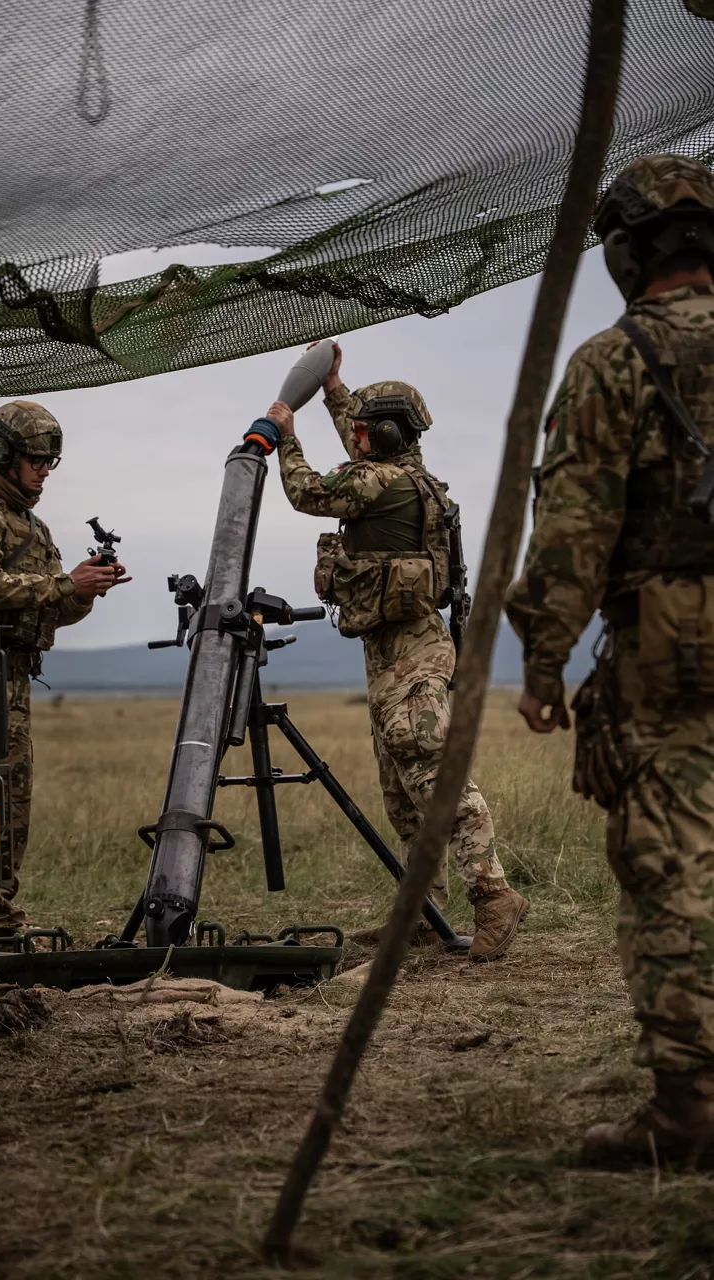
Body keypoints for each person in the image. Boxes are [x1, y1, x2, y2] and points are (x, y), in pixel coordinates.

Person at [505, 154, 714, 1165]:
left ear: (627, 253)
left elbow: (571, 540)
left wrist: (544, 667)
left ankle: (690, 1111)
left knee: (671, 865)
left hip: (672, 656)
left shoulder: (612, 362)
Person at [264, 349, 529, 961]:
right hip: (389, 648)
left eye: (362, 428)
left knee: (432, 777)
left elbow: (308, 492)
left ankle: (494, 898)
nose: (354, 434)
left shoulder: (380, 482)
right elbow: (358, 432)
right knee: (401, 796)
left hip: (411, 652)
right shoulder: (402, 473)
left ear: (383, 435)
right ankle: (423, 916)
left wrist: (284, 433)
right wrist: (333, 388)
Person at [0, 400, 130, 972]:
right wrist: (65, 582)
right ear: (4, 455)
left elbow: (53, 611)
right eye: (36, 460)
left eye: (50, 462)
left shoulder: (33, 528)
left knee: (9, 805)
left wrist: (84, 591)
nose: (43, 472)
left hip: (10, 677)